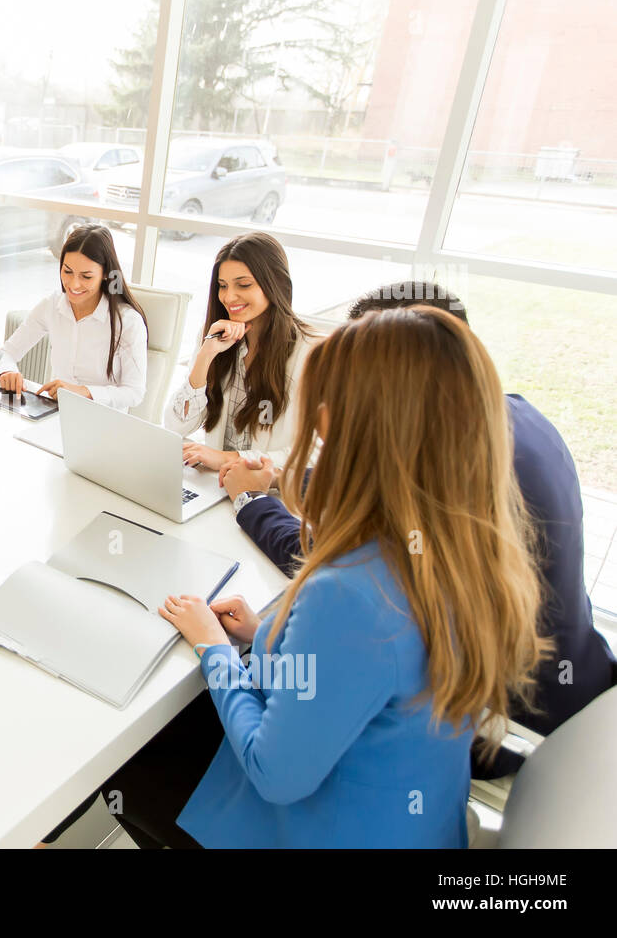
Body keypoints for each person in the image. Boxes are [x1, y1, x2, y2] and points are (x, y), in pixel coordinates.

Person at [100, 306, 545, 847]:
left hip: (324, 828)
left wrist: (214, 645)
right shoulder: (469, 548)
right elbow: (369, 676)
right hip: (416, 822)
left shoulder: (353, 593)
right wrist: (264, 634)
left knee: (126, 761)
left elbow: (274, 773)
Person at [220, 282, 617, 768]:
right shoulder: (507, 416)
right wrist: (283, 477)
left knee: (206, 714)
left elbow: (334, 555)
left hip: (495, 724)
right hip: (581, 689)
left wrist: (249, 499)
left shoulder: (428, 490)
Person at [165, 231, 314, 469]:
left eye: (243, 285)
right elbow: (177, 425)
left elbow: (314, 455)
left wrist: (229, 459)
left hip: (267, 493)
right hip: (213, 484)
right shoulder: (217, 337)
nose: (228, 296)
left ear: (275, 283)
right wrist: (205, 357)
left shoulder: (310, 352)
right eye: (222, 286)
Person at [0, 224, 148, 411]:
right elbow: (6, 353)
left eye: (86, 276)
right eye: (67, 272)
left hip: (104, 422)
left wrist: (83, 391)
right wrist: (7, 371)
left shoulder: (127, 322)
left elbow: (134, 392)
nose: (74, 284)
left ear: (106, 275)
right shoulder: (52, 305)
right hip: (55, 414)